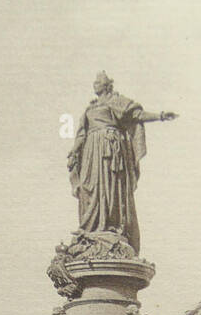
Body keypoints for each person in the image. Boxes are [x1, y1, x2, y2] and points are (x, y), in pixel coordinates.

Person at [67, 71, 177, 255]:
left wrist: (161, 115)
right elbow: (81, 134)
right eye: (94, 81)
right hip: (91, 151)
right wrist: (74, 150)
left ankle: (110, 225)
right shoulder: (90, 108)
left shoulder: (117, 101)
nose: (95, 84)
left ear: (107, 85)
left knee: (110, 187)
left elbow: (137, 115)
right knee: (89, 187)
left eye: (98, 81)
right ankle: (92, 228)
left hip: (110, 149)